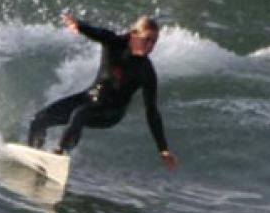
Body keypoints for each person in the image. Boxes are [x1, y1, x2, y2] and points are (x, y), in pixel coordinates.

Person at [27, 13, 178, 170]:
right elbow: (98, 33)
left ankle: (59, 155)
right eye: (147, 40)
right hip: (90, 97)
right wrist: (79, 26)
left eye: (154, 42)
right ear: (134, 34)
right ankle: (33, 158)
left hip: (112, 112)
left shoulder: (146, 72)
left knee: (80, 114)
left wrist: (163, 149)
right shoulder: (114, 43)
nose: (150, 46)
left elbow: (152, 112)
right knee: (38, 120)